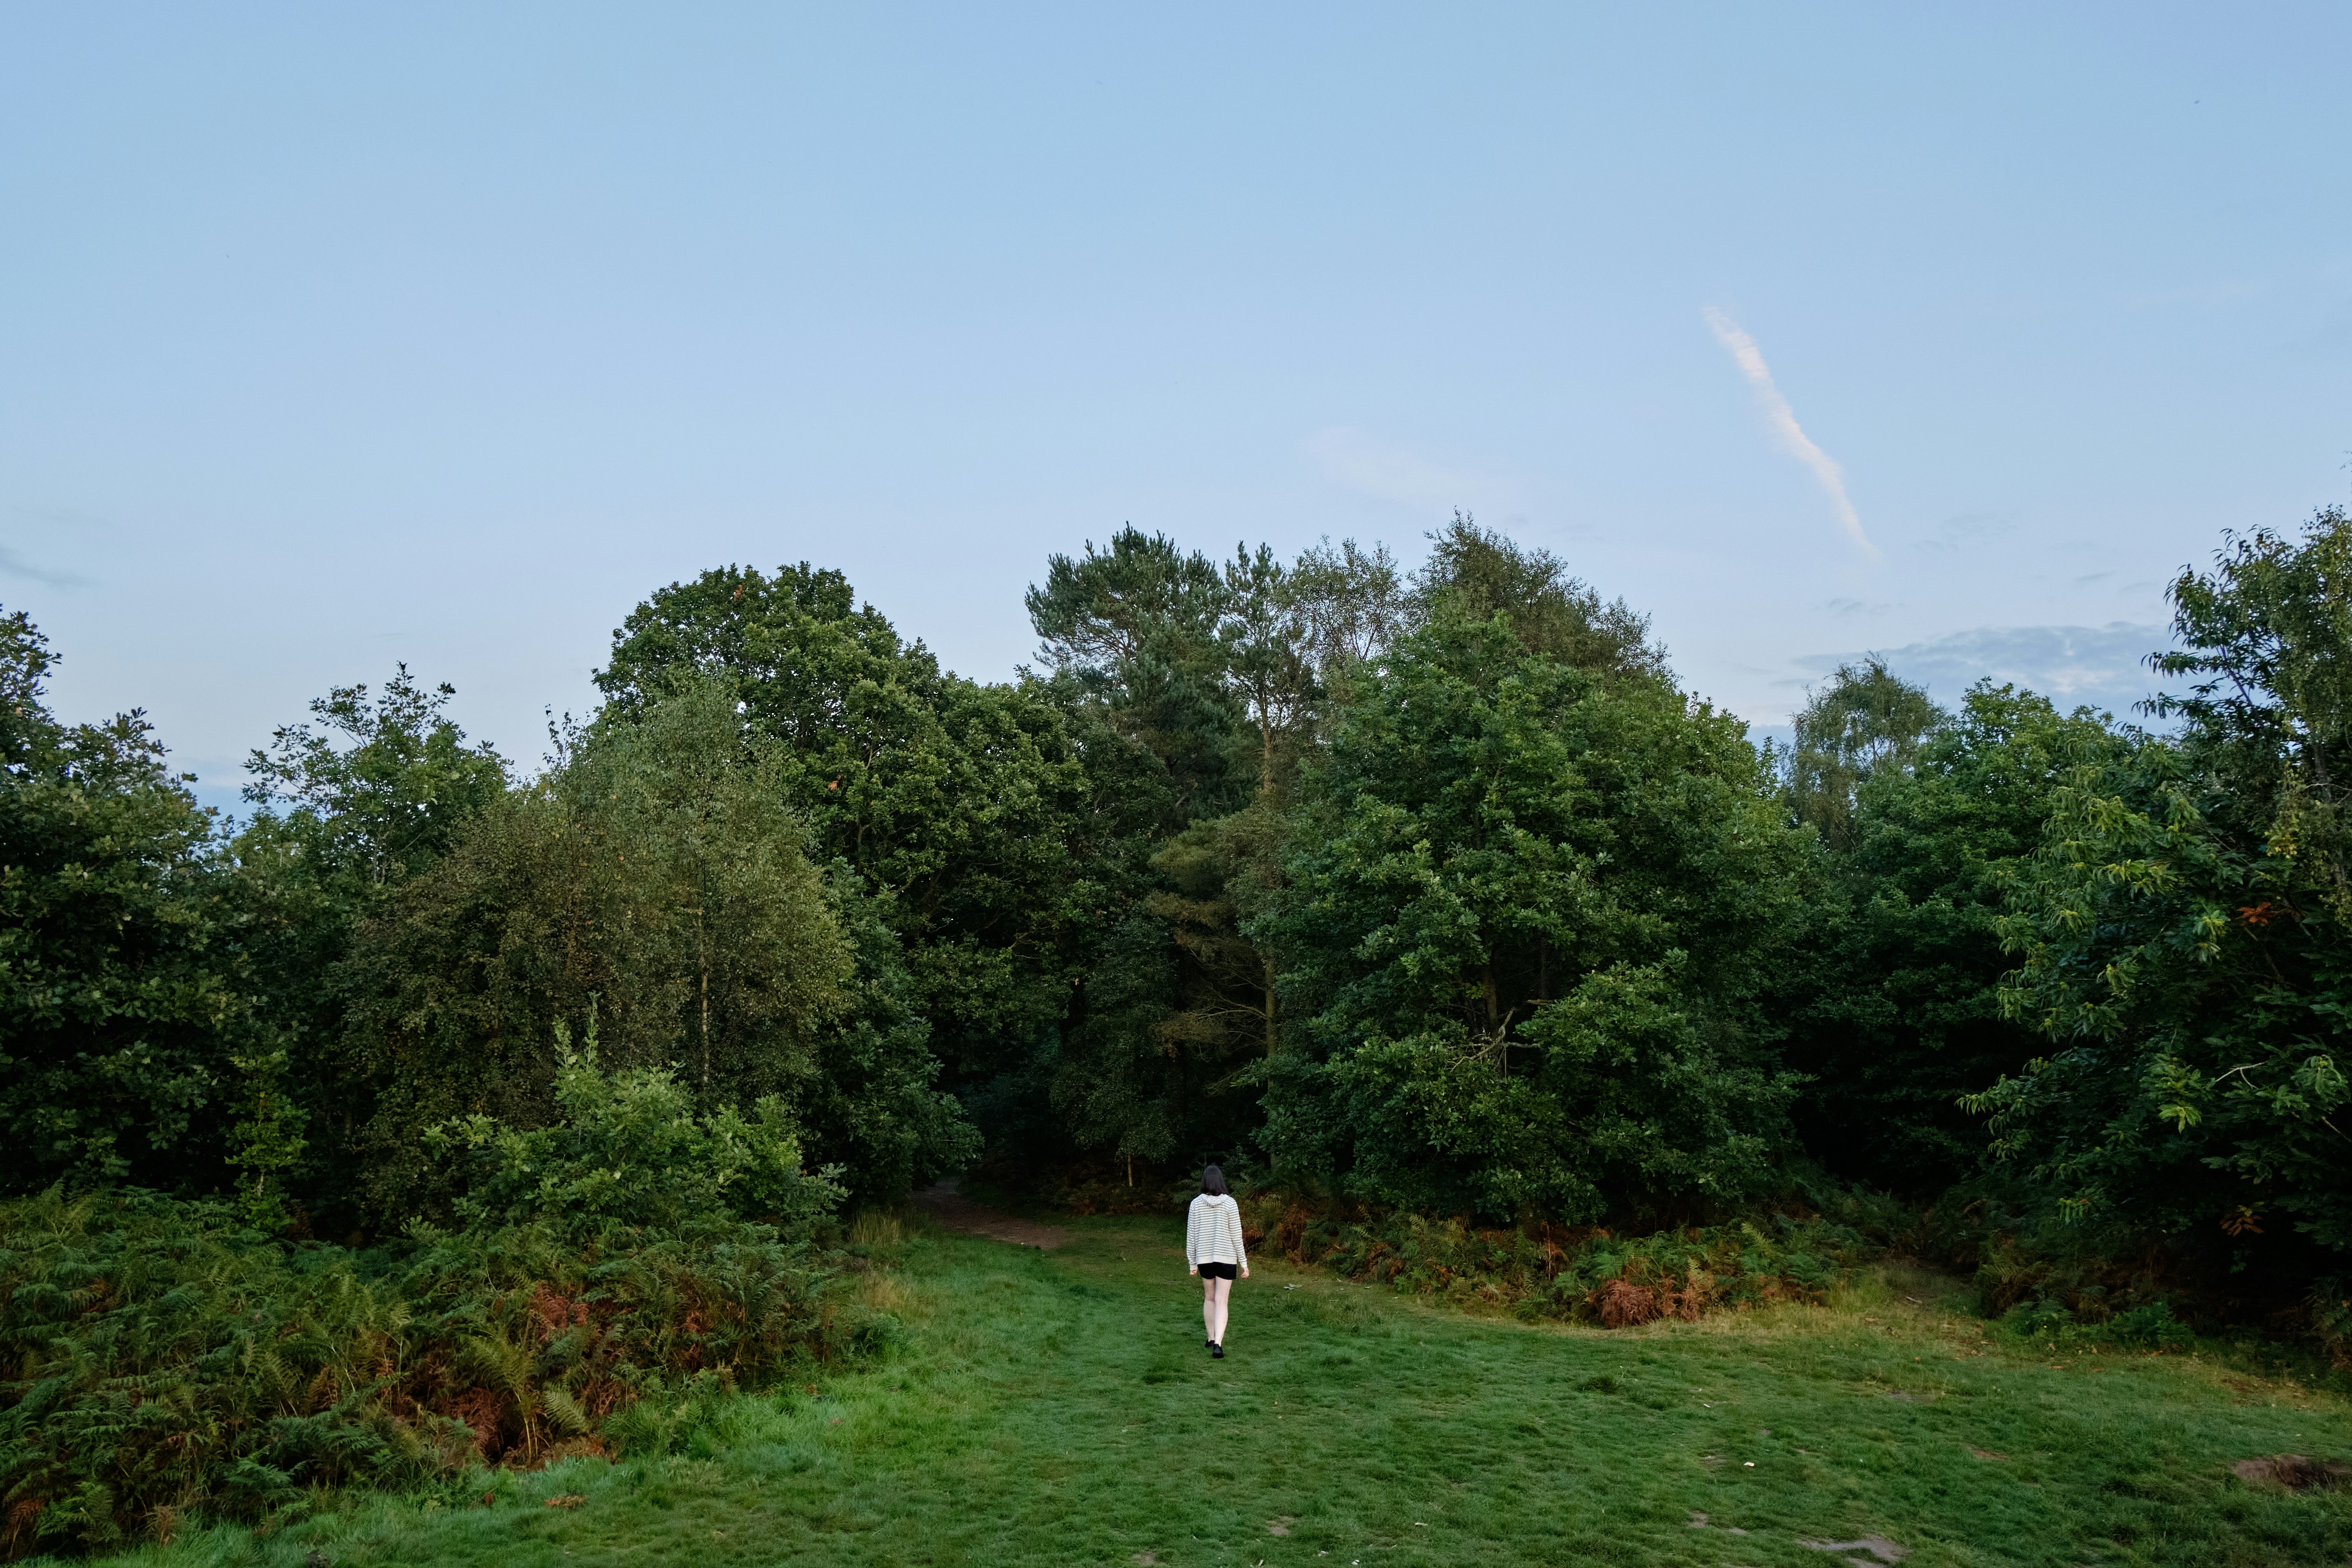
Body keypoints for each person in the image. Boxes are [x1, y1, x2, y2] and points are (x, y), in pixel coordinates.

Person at [1185, 1164, 1248, 1357]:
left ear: (1204, 1181)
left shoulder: (1196, 1204)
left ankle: (1211, 1338)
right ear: (1221, 1181)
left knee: (1210, 1298)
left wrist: (1192, 1263)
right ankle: (1218, 1344)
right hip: (1226, 1258)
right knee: (1222, 1301)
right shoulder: (1230, 1203)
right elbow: (1237, 1236)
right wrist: (1244, 1263)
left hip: (1204, 1259)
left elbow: (1191, 1236)